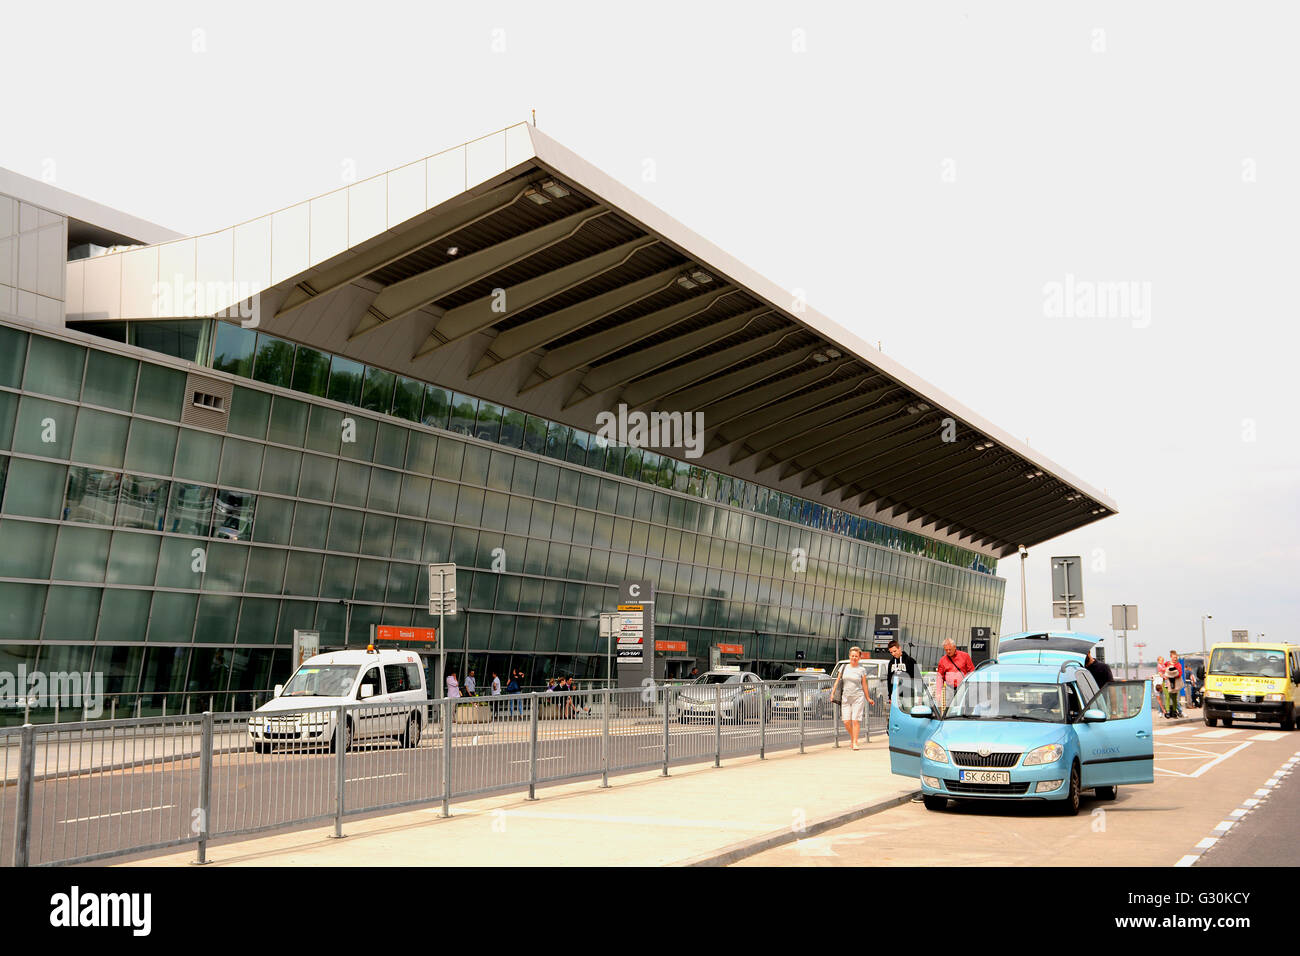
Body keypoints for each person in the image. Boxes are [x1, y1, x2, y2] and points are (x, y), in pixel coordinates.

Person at [830, 645, 874, 751]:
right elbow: (837, 681)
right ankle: (853, 738)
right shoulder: (844, 667)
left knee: (855, 720)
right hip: (845, 697)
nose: (854, 658)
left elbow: (864, 685)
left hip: (858, 697)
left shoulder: (861, 670)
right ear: (849, 656)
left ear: (859, 657)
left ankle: (854, 742)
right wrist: (832, 693)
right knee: (846, 721)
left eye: (856, 656)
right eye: (852, 656)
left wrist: (868, 698)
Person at [935, 639, 975, 710]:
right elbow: (939, 678)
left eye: (950, 649)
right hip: (949, 689)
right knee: (948, 711)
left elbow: (972, 671)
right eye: (946, 650)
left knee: (964, 709)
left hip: (963, 688)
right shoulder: (942, 660)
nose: (948, 652)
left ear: (954, 647)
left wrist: (971, 687)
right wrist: (938, 693)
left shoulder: (965, 656)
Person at [884, 639, 916, 720]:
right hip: (895, 695)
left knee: (909, 715)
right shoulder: (891, 663)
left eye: (895, 651)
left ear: (899, 648)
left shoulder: (910, 661)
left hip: (908, 694)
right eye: (891, 652)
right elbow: (889, 680)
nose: (893, 654)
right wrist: (890, 696)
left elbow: (918, 678)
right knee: (897, 718)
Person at [1164, 652, 1184, 718]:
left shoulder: (1178, 665)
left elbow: (1180, 673)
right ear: (1171, 657)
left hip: (1175, 683)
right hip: (1167, 682)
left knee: (1174, 698)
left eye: (1176, 657)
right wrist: (1164, 674)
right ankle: (1168, 711)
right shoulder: (1167, 663)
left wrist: (1172, 675)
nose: (1175, 659)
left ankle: (1174, 711)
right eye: (1174, 657)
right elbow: (1162, 670)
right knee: (1167, 697)